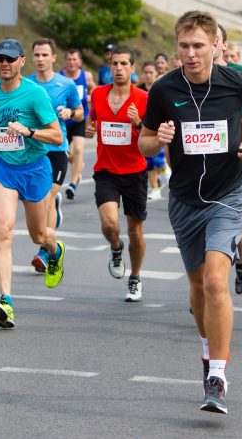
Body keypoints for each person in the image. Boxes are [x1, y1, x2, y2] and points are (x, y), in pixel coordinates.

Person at [139, 10, 242, 414]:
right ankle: (206, 350)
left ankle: (217, 376)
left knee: (217, 282)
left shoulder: (235, 79)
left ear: (216, 45)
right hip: (184, 200)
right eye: (184, 46)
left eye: (199, 45)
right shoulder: (165, 89)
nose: (191, 53)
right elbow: (146, 143)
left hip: (229, 195)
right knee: (199, 286)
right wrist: (157, 138)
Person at [0, 38, 66, 329]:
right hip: (3, 169)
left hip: (35, 169)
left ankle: (54, 251)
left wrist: (28, 131)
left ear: (21, 62)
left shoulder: (35, 95)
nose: (5, 63)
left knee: (39, 235)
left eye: (11, 59)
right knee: (3, 229)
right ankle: (6, 300)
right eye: (0, 58)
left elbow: (56, 136)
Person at [86, 48, 148, 302]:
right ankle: (115, 247)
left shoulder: (144, 98)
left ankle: (135, 277)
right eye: (114, 64)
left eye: (124, 64)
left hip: (135, 171)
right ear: (109, 67)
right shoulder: (98, 94)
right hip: (106, 170)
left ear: (133, 68)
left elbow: (152, 135)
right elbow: (92, 121)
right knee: (110, 224)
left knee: (135, 231)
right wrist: (90, 130)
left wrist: (138, 123)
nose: (119, 68)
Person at [27, 38, 83, 272]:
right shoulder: (26, 84)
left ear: (53, 57)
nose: (40, 59)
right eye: (36, 55)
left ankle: (45, 249)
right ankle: (49, 241)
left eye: (44, 55)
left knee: (47, 197)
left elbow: (80, 113)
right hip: (32, 149)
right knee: (37, 200)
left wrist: (70, 112)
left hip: (56, 149)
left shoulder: (66, 84)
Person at [214, 23, 242, 295]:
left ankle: (241, 262)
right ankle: (204, 284)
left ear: (223, 45)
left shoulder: (240, 74)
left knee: (231, 215)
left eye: (214, 39)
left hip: (234, 153)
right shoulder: (186, 77)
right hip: (199, 159)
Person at [59, 48, 96, 200]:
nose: (72, 62)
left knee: (79, 149)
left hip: (80, 118)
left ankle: (73, 184)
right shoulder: (59, 76)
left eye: (75, 59)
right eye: (69, 59)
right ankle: (78, 167)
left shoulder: (86, 76)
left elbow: (94, 89)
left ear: (80, 62)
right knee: (67, 154)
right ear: (65, 61)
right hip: (63, 120)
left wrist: (89, 97)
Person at [137, 61, 167, 200]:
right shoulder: (139, 90)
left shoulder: (162, 89)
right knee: (148, 162)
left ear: (157, 74)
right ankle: (155, 188)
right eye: (146, 73)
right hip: (145, 131)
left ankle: (165, 169)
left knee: (159, 161)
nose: (148, 76)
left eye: (151, 73)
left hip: (161, 130)